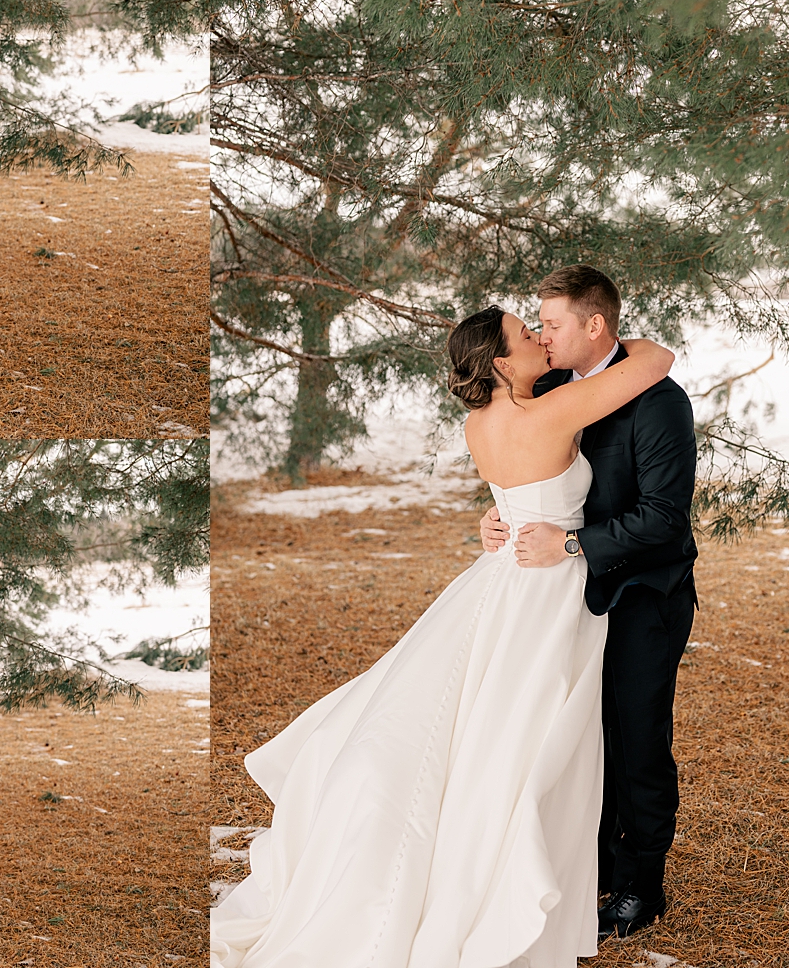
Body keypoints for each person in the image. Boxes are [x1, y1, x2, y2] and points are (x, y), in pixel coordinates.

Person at [210, 301, 677, 968]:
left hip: (501, 572)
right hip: (545, 587)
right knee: (521, 738)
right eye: (527, 334)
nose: (540, 338)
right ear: (501, 364)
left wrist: (499, 516)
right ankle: (505, 875)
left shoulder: (476, 423)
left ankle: (536, 861)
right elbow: (656, 359)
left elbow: (518, 487)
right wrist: (600, 337)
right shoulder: (550, 412)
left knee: (482, 727)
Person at [479, 264, 699, 938]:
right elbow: (529, 473)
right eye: (537, 326)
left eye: (551, 323)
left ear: (594, 324)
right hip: (565, 600)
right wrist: (500, 520)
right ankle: (592, 865)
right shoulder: (548, 388)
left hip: (642, 593)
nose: (542, 336)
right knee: (578, 735)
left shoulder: (659, 402)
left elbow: (664, 517)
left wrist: (571, 544)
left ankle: (641, 886)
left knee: (636, 741)